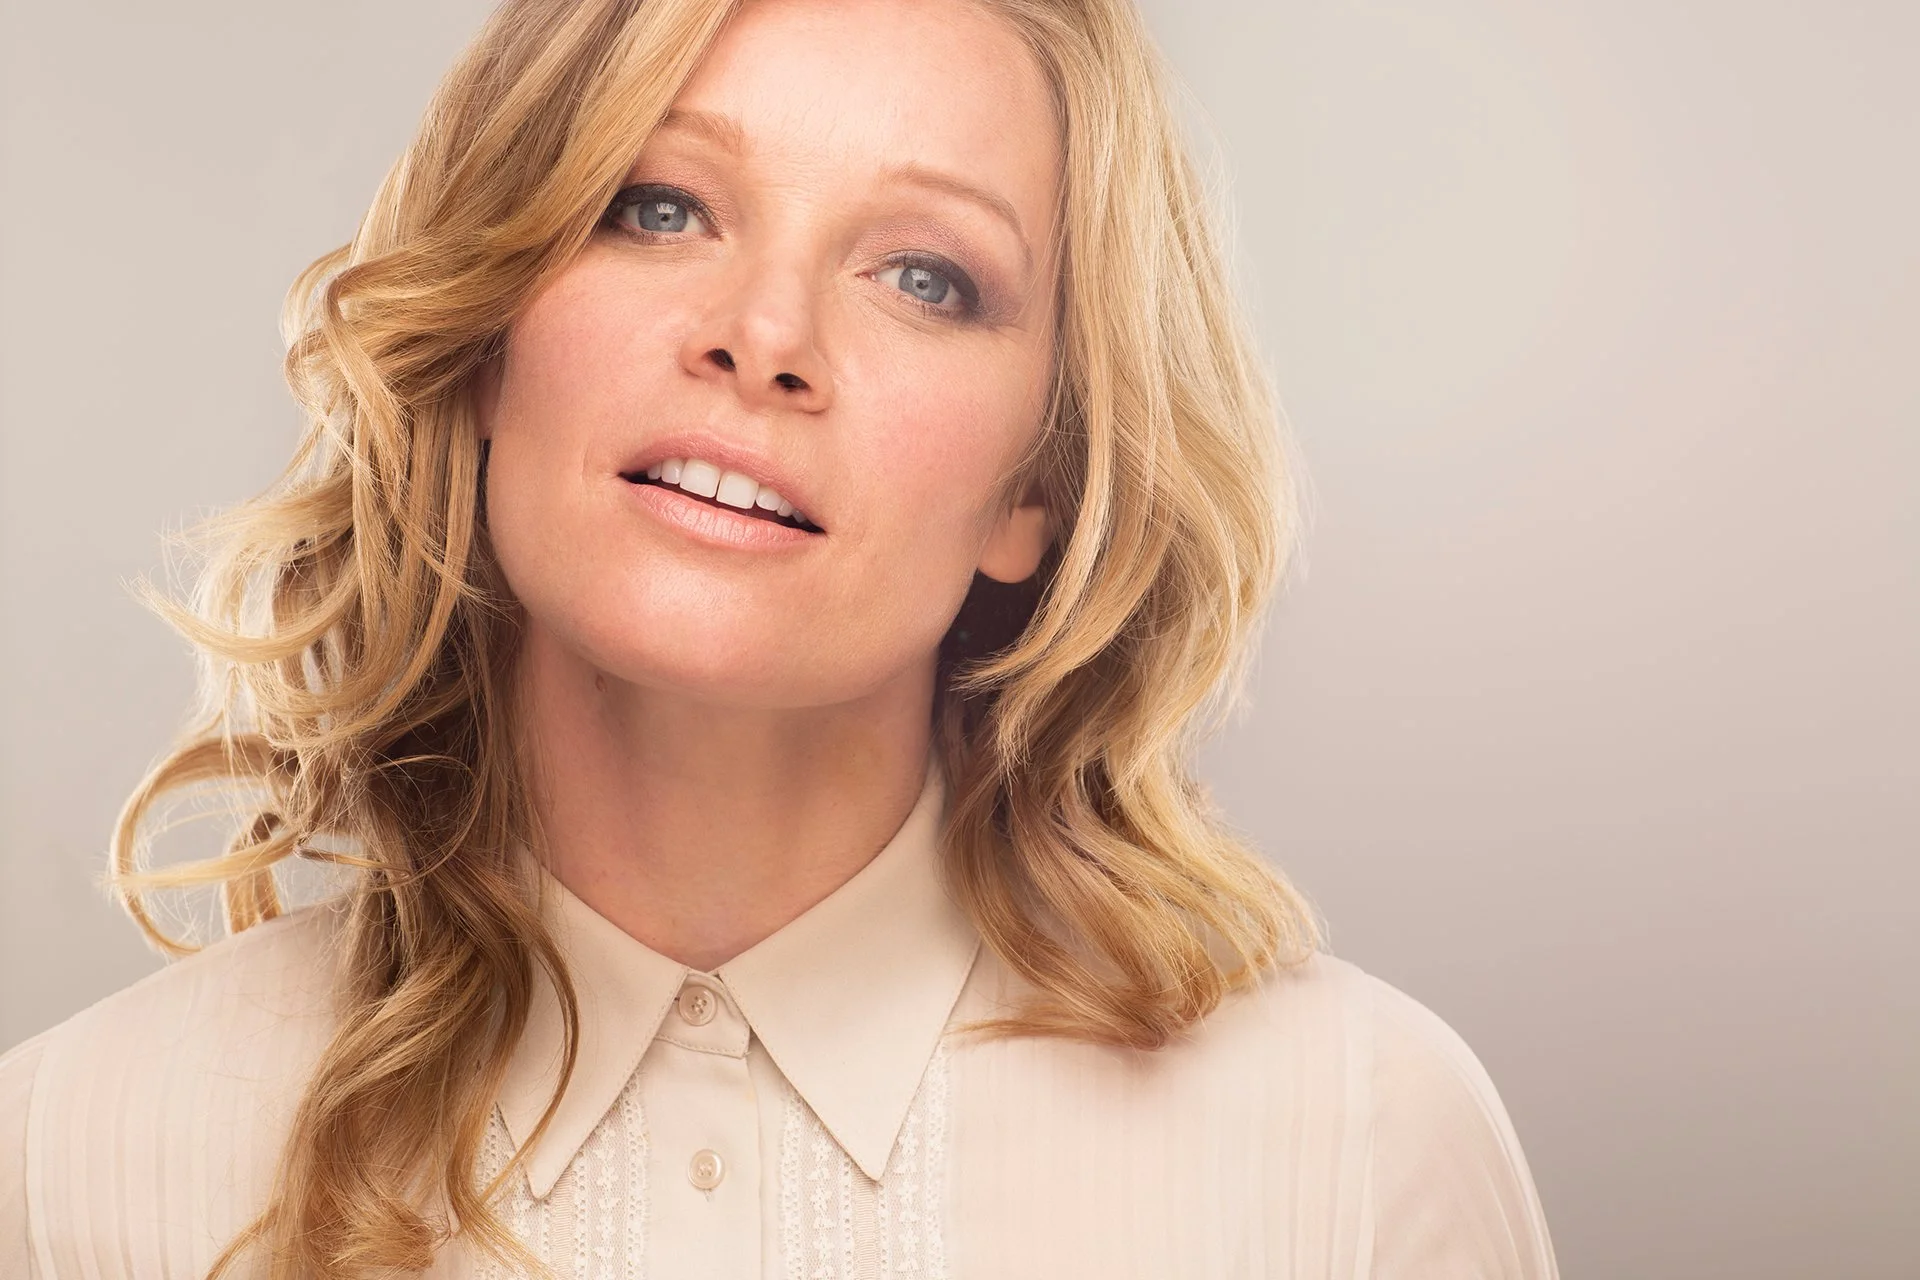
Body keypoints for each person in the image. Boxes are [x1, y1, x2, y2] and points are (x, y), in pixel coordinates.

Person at [0, 0, 1560, 1275]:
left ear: (1040, 487)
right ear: (486, 344)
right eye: (660, 207)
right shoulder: (74, 1164)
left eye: (926, 277)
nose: (764, 338)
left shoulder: (1354, 1152)